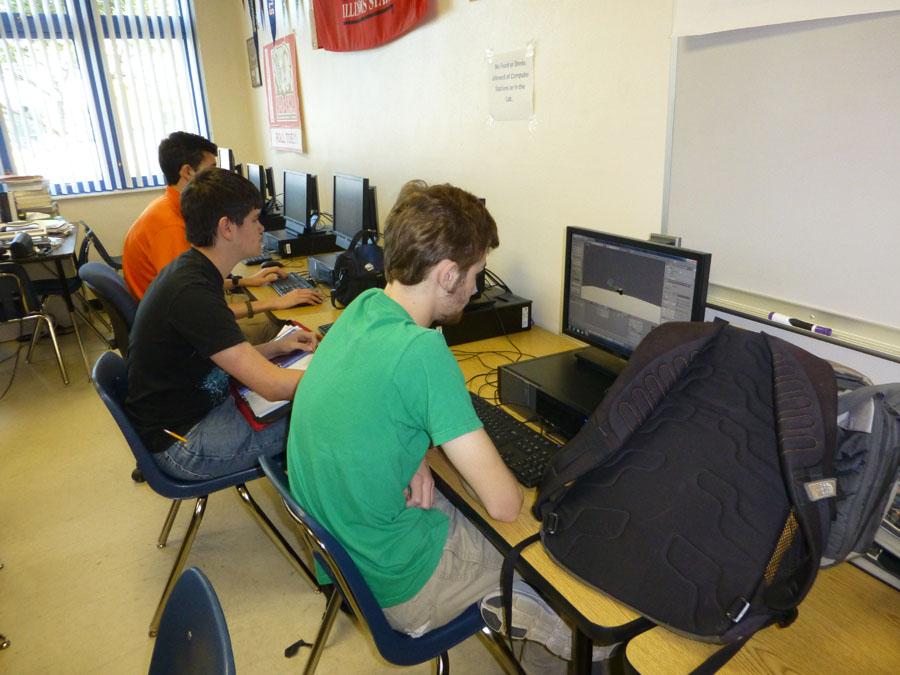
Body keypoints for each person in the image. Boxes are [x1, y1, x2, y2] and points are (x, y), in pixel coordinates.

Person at [286, 181, 611, 672]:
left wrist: (416, 453)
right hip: (401, 582)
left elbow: (367, 408)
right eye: (477, 275)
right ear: (447, 274)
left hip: (351, 557)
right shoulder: (422, 353)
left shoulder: (363, 309)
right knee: (579, 595)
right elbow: (504, 505)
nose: (478, 289)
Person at [126, 168, 318, 480]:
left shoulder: (195, 269)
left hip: (192, 414)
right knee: (327, 414)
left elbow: (220, 352)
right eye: (255, 219)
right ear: (226, 227)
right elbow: (271, 386)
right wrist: (343, 381)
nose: (262, 227)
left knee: (312, 399)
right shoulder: (192, 292)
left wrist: (276, 347)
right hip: (184, 446)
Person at [122, 131, 321, 340]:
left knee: (277, 322)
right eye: (212, 169)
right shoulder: (169, 226)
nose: (218, 176)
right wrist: (275, 302)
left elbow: (198, 284)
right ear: (188, 172)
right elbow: (191, 304)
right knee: (280, 326)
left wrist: (243, 282)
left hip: (175, 325)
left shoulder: (169, 209)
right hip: (177, 335)